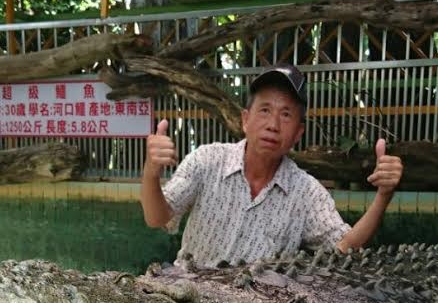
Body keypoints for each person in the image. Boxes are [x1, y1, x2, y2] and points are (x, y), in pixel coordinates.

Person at [140, 64, 403, 268]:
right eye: (264, 110)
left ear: (298, 133)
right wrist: (151, 172)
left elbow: (344, 248)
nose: (273, 124)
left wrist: (383, 197)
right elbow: (157, 218)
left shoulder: (305, 192)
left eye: (286, 114)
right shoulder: (207, 161)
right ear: (245, 120)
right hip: (188, 300)